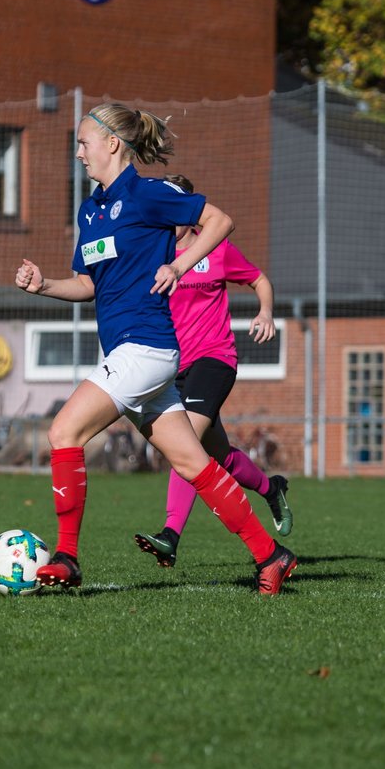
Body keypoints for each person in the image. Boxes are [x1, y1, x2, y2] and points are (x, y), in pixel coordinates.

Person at [14, 103, 297, 595]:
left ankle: (67, 556)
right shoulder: (91, 210)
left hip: (146, 350)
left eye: (83, 143)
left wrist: (181, 264)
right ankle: (271, 555)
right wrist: (44, 286)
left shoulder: (148, 195)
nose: (78, 153)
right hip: (131, 355)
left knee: (63, 430)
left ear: (112, 144)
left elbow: (220, 221)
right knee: (194, 465)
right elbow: (87, 284)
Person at [132, 174, 292, 569]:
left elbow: (259, 280)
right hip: (173, 366)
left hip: (214, 359)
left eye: (177, 209)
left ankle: (170, 535)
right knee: (216, 453)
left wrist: (265, 311)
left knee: (185, 444)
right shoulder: (155, 252)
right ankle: (272, 488)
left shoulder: (216, 249)